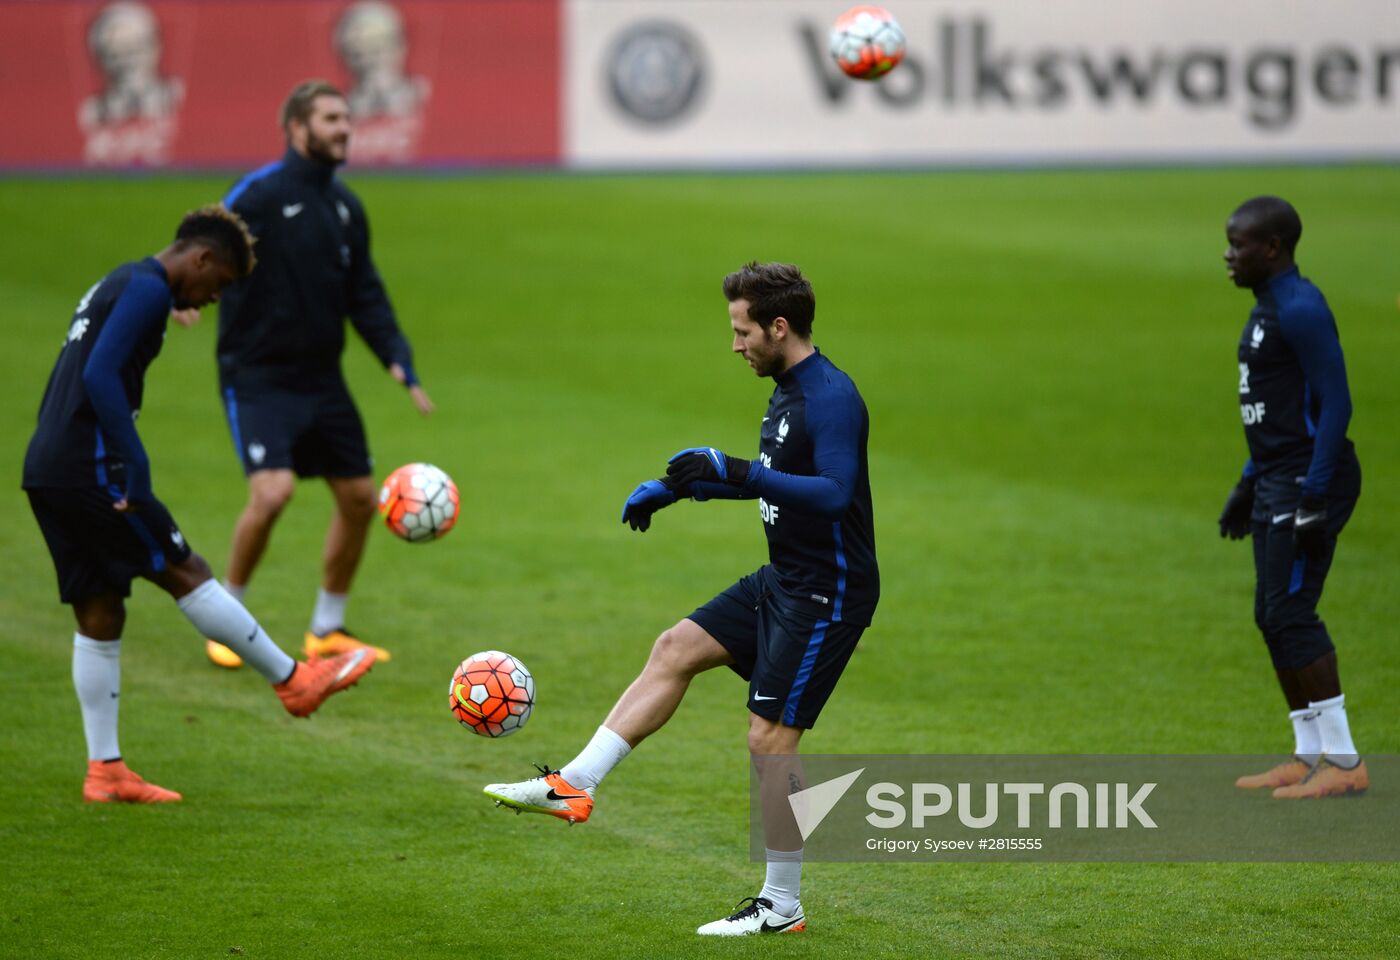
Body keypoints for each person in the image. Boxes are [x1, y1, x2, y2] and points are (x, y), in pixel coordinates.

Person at [483, 262, 879, 935]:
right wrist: (684, 487)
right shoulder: (787, 388)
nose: (736, 344)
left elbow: (835, 492)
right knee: (675, 648)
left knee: (770, 738)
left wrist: (738, 470)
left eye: (743, 330)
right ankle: (573, 784)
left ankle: (782, 907)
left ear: (779, 327)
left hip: (826, 592)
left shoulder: (831, 397)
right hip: (783, 578)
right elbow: (774, 481)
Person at [22, 206, 378, 804]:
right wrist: (133, 465)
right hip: (93, 467)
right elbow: (103, 375)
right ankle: (295, 682)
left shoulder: (125, 281)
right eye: (219, 285)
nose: (215, 299)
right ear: (202, 258)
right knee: (185, 569)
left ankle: (104, 771)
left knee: (100, 610)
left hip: (49, 467)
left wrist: (167, 306)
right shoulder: (145, 288)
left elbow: (112, 338)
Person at [208, 79, 432, 670]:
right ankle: (227, 617)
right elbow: (201, 247)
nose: (344, 128)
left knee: (361, 498)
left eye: (347, 118)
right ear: (297, 128)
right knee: (273, 491)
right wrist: (177, 297)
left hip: (321, 378)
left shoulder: (344, 206)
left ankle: (326, 628)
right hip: (257, 376)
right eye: (331, 118)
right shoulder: (256, 196)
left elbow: (365, 291)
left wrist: (397, 358)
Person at [1219, 196, 1365, 799]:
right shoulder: (1265, 310)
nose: (1228, 255)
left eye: (1238, 244)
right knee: (1270, 613)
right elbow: (1279, 413)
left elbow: (1337, 404)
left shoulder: (1301, 308)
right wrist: (1247, 481)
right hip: (1276, 477)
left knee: (1292, 613)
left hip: (1310, 478)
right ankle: (1309, 755)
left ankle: (1345, 764)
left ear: (1272, 247)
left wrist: (1313, 493)